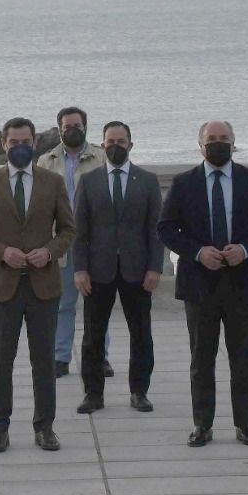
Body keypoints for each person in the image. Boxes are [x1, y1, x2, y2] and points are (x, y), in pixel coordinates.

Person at [158, 120, 248, 448]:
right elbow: (166, 228)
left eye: (224, 138)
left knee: (243, 359)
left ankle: (245, 424)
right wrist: (197, 253)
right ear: (200, 145)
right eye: (211, 139)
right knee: (202, 359)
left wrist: (245, 249)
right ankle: (202, 424)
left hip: (243, 282)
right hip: (200, 285)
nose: (218, 143)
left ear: (234, 142)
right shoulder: (183, 183)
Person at [0, 117, 76, 453]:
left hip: (44, 286)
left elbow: (68, 230)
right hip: (2, 287)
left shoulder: (53, 182)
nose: (20, 147)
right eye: (14, 142)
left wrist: (49, 251)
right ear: (4, 144)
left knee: (44, 361)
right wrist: (2, 252)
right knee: (1, 360)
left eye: (25, 141)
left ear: (35, 143)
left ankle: (45, 427)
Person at [71, 120, 163, 414]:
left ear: (130, 145)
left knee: (141, 333)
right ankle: (93, 393)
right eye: (110, 142)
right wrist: (80, 269)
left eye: (120, 142)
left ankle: (139, 392)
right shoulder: (89, 181)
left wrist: (155, 268)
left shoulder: (147, 181)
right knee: (93, 335)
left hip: (138, 270)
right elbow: (80, 230)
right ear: (102, 145)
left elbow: (155, 229)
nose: (115, 146)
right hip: (98, 270)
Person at [39, 106, 108, 379]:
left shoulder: (101, 157)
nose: (72, 130)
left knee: (98, 304)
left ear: (85, 127)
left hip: (96, 242)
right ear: (60, 129)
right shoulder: (46, 161)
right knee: (63, 304)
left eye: (77, 125)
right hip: (61, 242)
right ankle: (60, 357)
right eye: (67, 126)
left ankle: (99, 357)